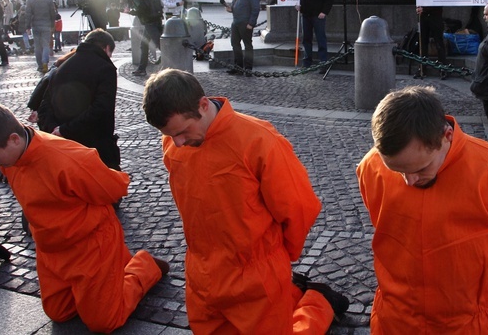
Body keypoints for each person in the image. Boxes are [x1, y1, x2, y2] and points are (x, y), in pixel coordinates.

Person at [141, 69, 350, 333]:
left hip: (256, 276)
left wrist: (275, 259)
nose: (178, 143)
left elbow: (298, 206)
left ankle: (317, 303)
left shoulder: (259, 139)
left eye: (182, 132)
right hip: (204, 276)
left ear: (203, 106)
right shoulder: (174, 142)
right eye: (171, 135)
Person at [0, 103, 168, 333]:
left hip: (89, 245)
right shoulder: (11, 158)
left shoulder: (67, 158)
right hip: (52, 250)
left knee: (104, 321)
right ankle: (110, 274)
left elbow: (115, 187)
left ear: (14, 139)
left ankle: (144, 267)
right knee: (59, 312)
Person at [356, 85, 488, 333]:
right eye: (398, 171)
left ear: (447, 136)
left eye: (421, 169)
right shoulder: (372, 166)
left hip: (472, 323)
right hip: (397, 321)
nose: (409, 181)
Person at [38, 29, 121, 170]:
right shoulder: (105, 68)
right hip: (96, 147)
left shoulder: (62, 66)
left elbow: (45, 105)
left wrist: (56, 130)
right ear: (106, 48)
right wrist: (66, 130)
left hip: (66, 148)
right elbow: (101, 108)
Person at [296, 0, 334, 70]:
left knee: (320, 39)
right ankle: (307, 62)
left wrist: (324, 12)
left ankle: (323, 64)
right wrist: (299, 6)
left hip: (318, 15)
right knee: (306, 39)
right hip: (306, 14)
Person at [412, 0, 448, 79]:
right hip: (423, 17)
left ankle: (444, 68)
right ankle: (422, 68)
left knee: (439, 42)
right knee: (423, 42)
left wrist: (425, 9)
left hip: (435, 16)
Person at [224, 0, 260, 75]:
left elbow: (255, 7)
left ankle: (248, 68)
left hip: (246, 23)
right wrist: (231, 9)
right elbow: (237, 5)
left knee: (247, 45)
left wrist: (251, 23)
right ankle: (238, 68)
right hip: (236, 22)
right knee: (235, 44)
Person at [128, 0, 163, 77]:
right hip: (156, 19)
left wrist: (131, 12)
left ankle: (174, 66)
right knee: (143, 45)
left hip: (149, 22)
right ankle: (141, 69)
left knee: (160, 45)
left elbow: (141, 9)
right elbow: (159, 4)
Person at [25, 0, 56, 73]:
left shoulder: (30, 0)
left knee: (38, 47)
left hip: (36, 26)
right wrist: (52, 25)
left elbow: (28, 14)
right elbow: (52, 13)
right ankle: (45, 62)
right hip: (46, 25)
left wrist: (27, 27)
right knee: (46, 45)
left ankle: (40, 65)